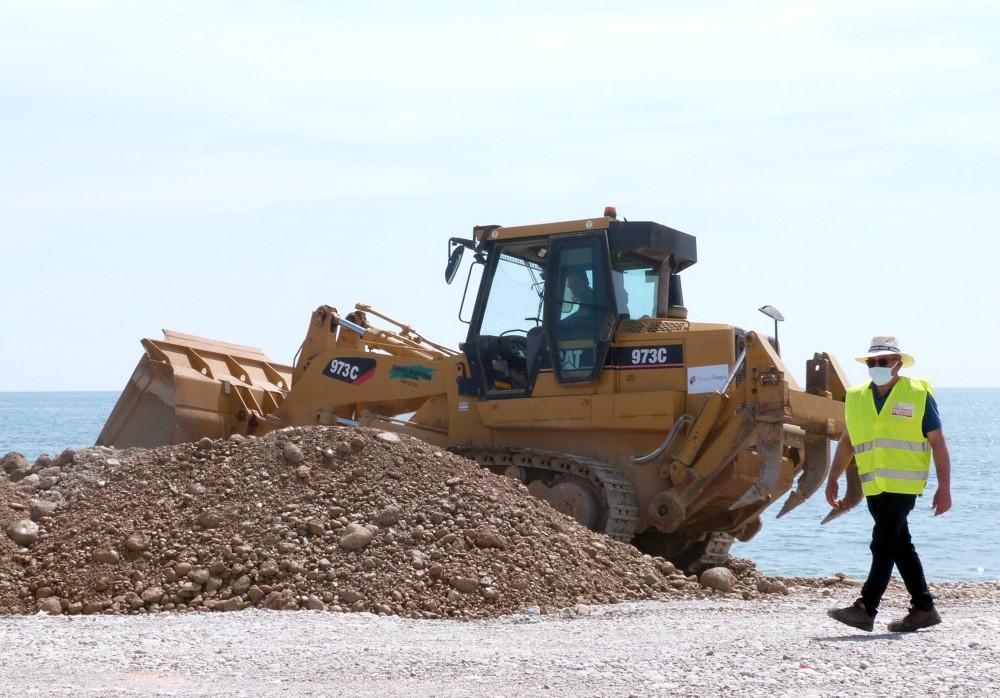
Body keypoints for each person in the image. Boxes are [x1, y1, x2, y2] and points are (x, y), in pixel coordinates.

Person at [825, 336, 952, 632]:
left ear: (897, 364)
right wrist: (832, 479)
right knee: (899, 546)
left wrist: (944, 486)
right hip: (874, 485)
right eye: (872, 362)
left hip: (904, 485)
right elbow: (847, 442)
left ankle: (866, 608)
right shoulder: (856, 397)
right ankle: (924, 608)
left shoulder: (918, 393)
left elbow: (938, 441)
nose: (877, 366)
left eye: (883, 361)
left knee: (882, 543)